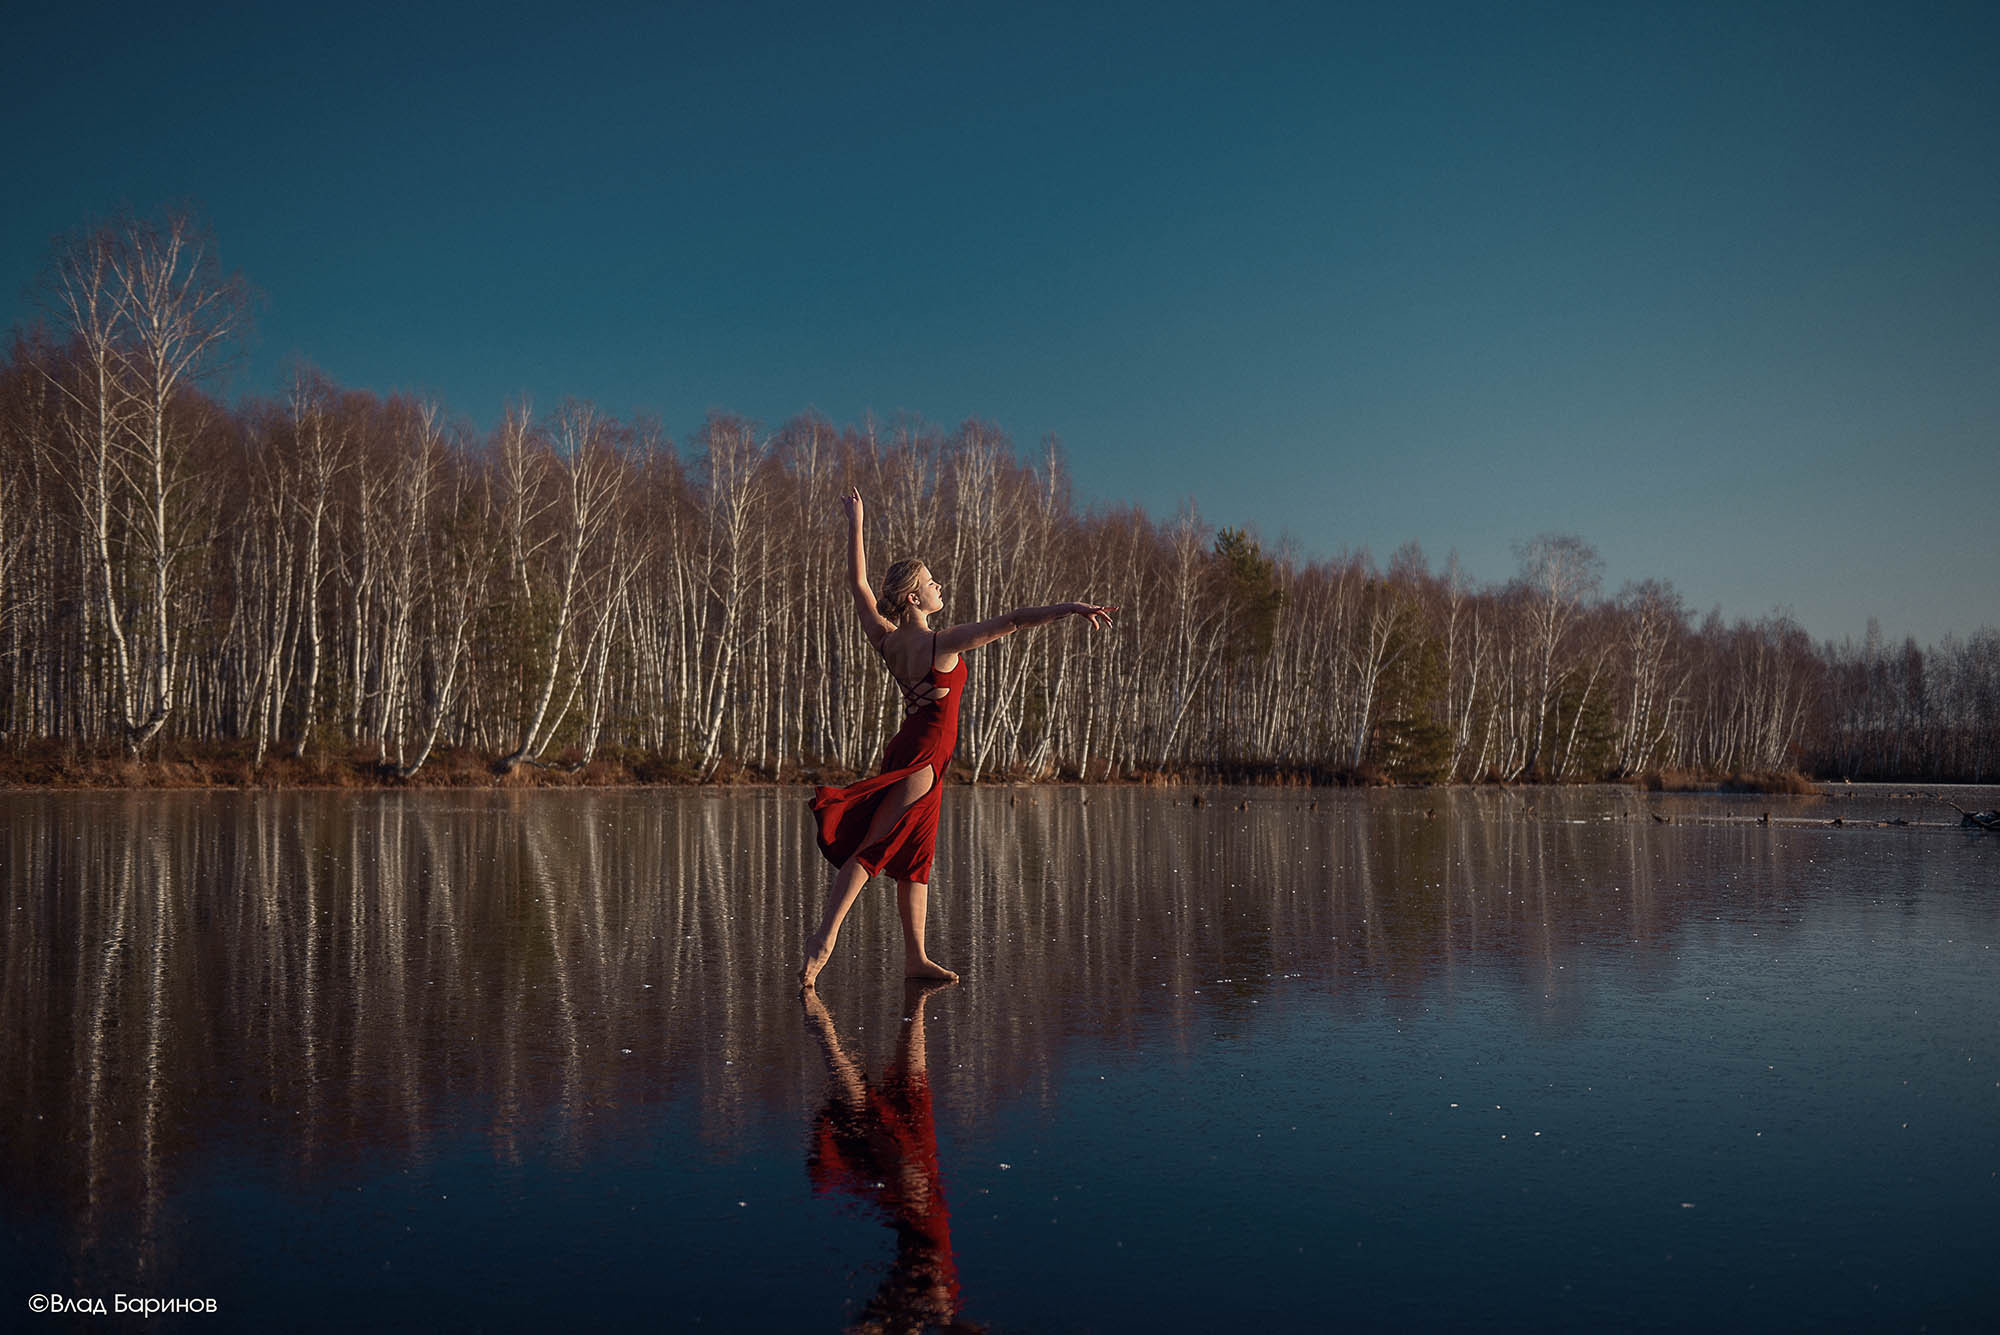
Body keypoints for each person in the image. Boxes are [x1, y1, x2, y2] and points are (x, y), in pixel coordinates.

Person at [800, 487, 1114, 991]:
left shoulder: (887, 639)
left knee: (916, 861)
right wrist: (1072, 608)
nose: (938, 586)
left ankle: (916, 958)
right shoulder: (938, 644)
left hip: (920, 754)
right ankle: (824, 940)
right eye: (930, 582)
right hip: (923, 759)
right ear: (912, 598)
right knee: (874, 847)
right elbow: (1012, 621)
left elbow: (857, 582)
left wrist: (857, 523)